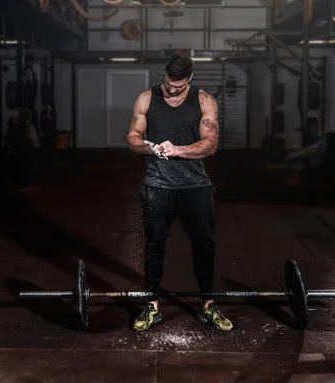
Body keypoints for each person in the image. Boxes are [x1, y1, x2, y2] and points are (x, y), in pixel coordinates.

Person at [126, 52, 233, 332]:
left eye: (179, 86)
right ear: (164, 74)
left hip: (195, 186)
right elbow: (132, 137)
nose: (172, 91)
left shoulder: (204, 100)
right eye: (169, 84)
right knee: (154, 244)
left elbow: (210, 144)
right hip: (157, 185)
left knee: (204, 245)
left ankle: (208, 305)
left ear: (191, 79)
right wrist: (148, 147)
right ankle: (152, 306)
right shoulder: (146, 98)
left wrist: (179, 150)